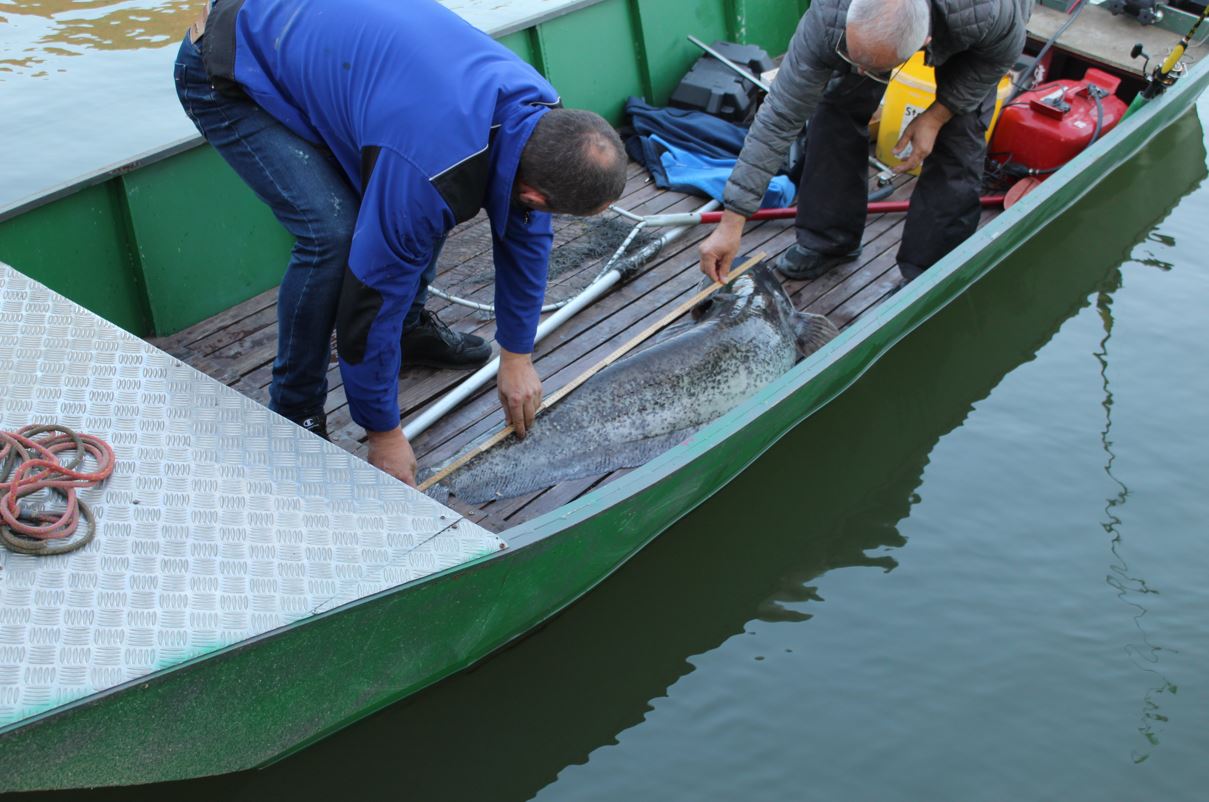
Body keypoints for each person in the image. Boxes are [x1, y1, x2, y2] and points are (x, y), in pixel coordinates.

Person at [174, 0, 627, 487]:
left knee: (428, 197)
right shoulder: (430, 165)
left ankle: (409, 334)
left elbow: (525, 229)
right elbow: (371, 298)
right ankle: (294, 404)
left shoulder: (537, 115)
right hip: (231, 62)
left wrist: (517, 354)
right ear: (540, 192)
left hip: (337, 53)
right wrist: (383, 432)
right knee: (335, 235)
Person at [699, 0, 1030, 285]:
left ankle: (927, 275)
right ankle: (830, 239)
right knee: (837, 100)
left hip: (980, 34)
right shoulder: (830, 15)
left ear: (924, 42)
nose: (859, 68)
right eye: (854, 56)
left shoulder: (987, 12)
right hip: (867, 27)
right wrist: (733, 220)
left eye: (870, 66)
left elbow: (999, 56)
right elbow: (781, 113)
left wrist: (937, 115)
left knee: (960, 136)